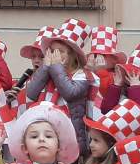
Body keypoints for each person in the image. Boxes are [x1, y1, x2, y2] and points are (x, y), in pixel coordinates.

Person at [23, 19, 94, 152]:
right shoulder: (48, 71)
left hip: (70, 137)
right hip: (45, 133)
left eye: (60, 51)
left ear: (72, 55)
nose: (55, 55)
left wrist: (56, 67)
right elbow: (31, 93)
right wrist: (46, 66)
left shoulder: (82, 75)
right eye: (52, 51)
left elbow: (70, 93)